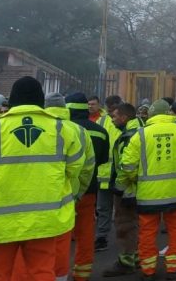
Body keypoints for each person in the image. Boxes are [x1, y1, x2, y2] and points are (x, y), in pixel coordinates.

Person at [0, 77, 84, 281]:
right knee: (42, 272)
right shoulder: (62, 129)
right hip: (46, 219)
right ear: (41, 101)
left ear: (11, 101)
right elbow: (75, 170)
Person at [119, 99, 176, 280]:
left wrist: (133, 181)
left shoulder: (140, 134)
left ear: (151, 115)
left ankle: (148, 271)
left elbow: (128, 165)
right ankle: (173, 269)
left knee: (147, 233)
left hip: (148, 195)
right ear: (169, 113)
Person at [45, 93, 100, 281]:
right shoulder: (81, 131)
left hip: (45, 197)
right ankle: (80, 275)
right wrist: (77, 193)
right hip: (81, 194)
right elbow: (88, 167)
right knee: (82, 235)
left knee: (43, 242)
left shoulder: (41, 128)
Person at [65, 92, 111, 278]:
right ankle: (82, 272)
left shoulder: (62, 129)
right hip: (90, 189)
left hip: (63, 189)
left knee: (61, 234)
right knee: (85, 232)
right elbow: (101, 160)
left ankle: (56, 271)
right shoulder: (100, 131)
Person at [102, 103, 142, 277]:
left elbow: (126, 167)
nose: (111, 119)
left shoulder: (128, 136)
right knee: (137, 224)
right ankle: (137, 256)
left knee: (124, 225)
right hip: (138, 189)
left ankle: (126, 262)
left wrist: (119, 189)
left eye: (115, 116)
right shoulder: (140, 130)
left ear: (125, 117)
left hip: (128, 190)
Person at [91, 95, 124, 252]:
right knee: (103, 207)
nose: (112, 110)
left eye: (114, 107)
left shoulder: (129, 120)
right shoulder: (102, 121)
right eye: (110, 107)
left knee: (123, 210)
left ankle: (125, 241)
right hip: (104, 172)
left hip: (122, 173)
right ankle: (102, 237)